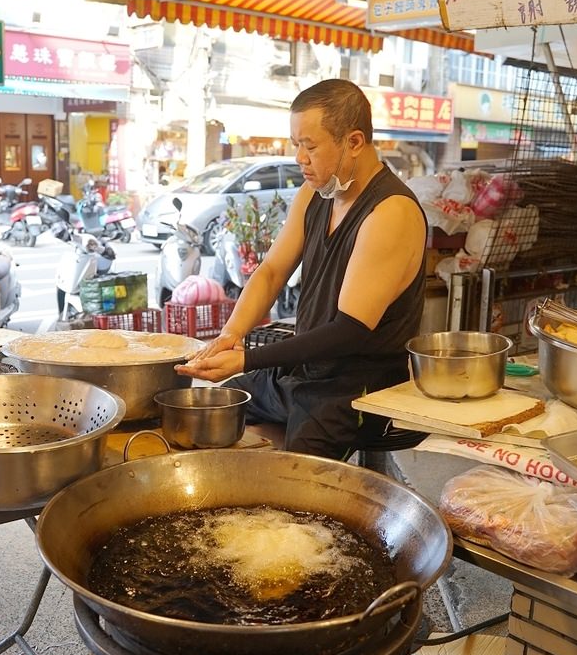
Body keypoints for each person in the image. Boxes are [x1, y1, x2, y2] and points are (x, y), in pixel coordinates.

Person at [176, 79, 428, 461]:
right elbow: (273, 270)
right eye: (296, 145)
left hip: (359, 391)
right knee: (211, 410)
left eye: (310, 146)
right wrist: (231, 335)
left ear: (354, 142)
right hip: (305, 374)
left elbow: (350, 329)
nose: (299, 158)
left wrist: (248, 358)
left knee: (291, 490)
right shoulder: (315, 194)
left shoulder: (391, 211)